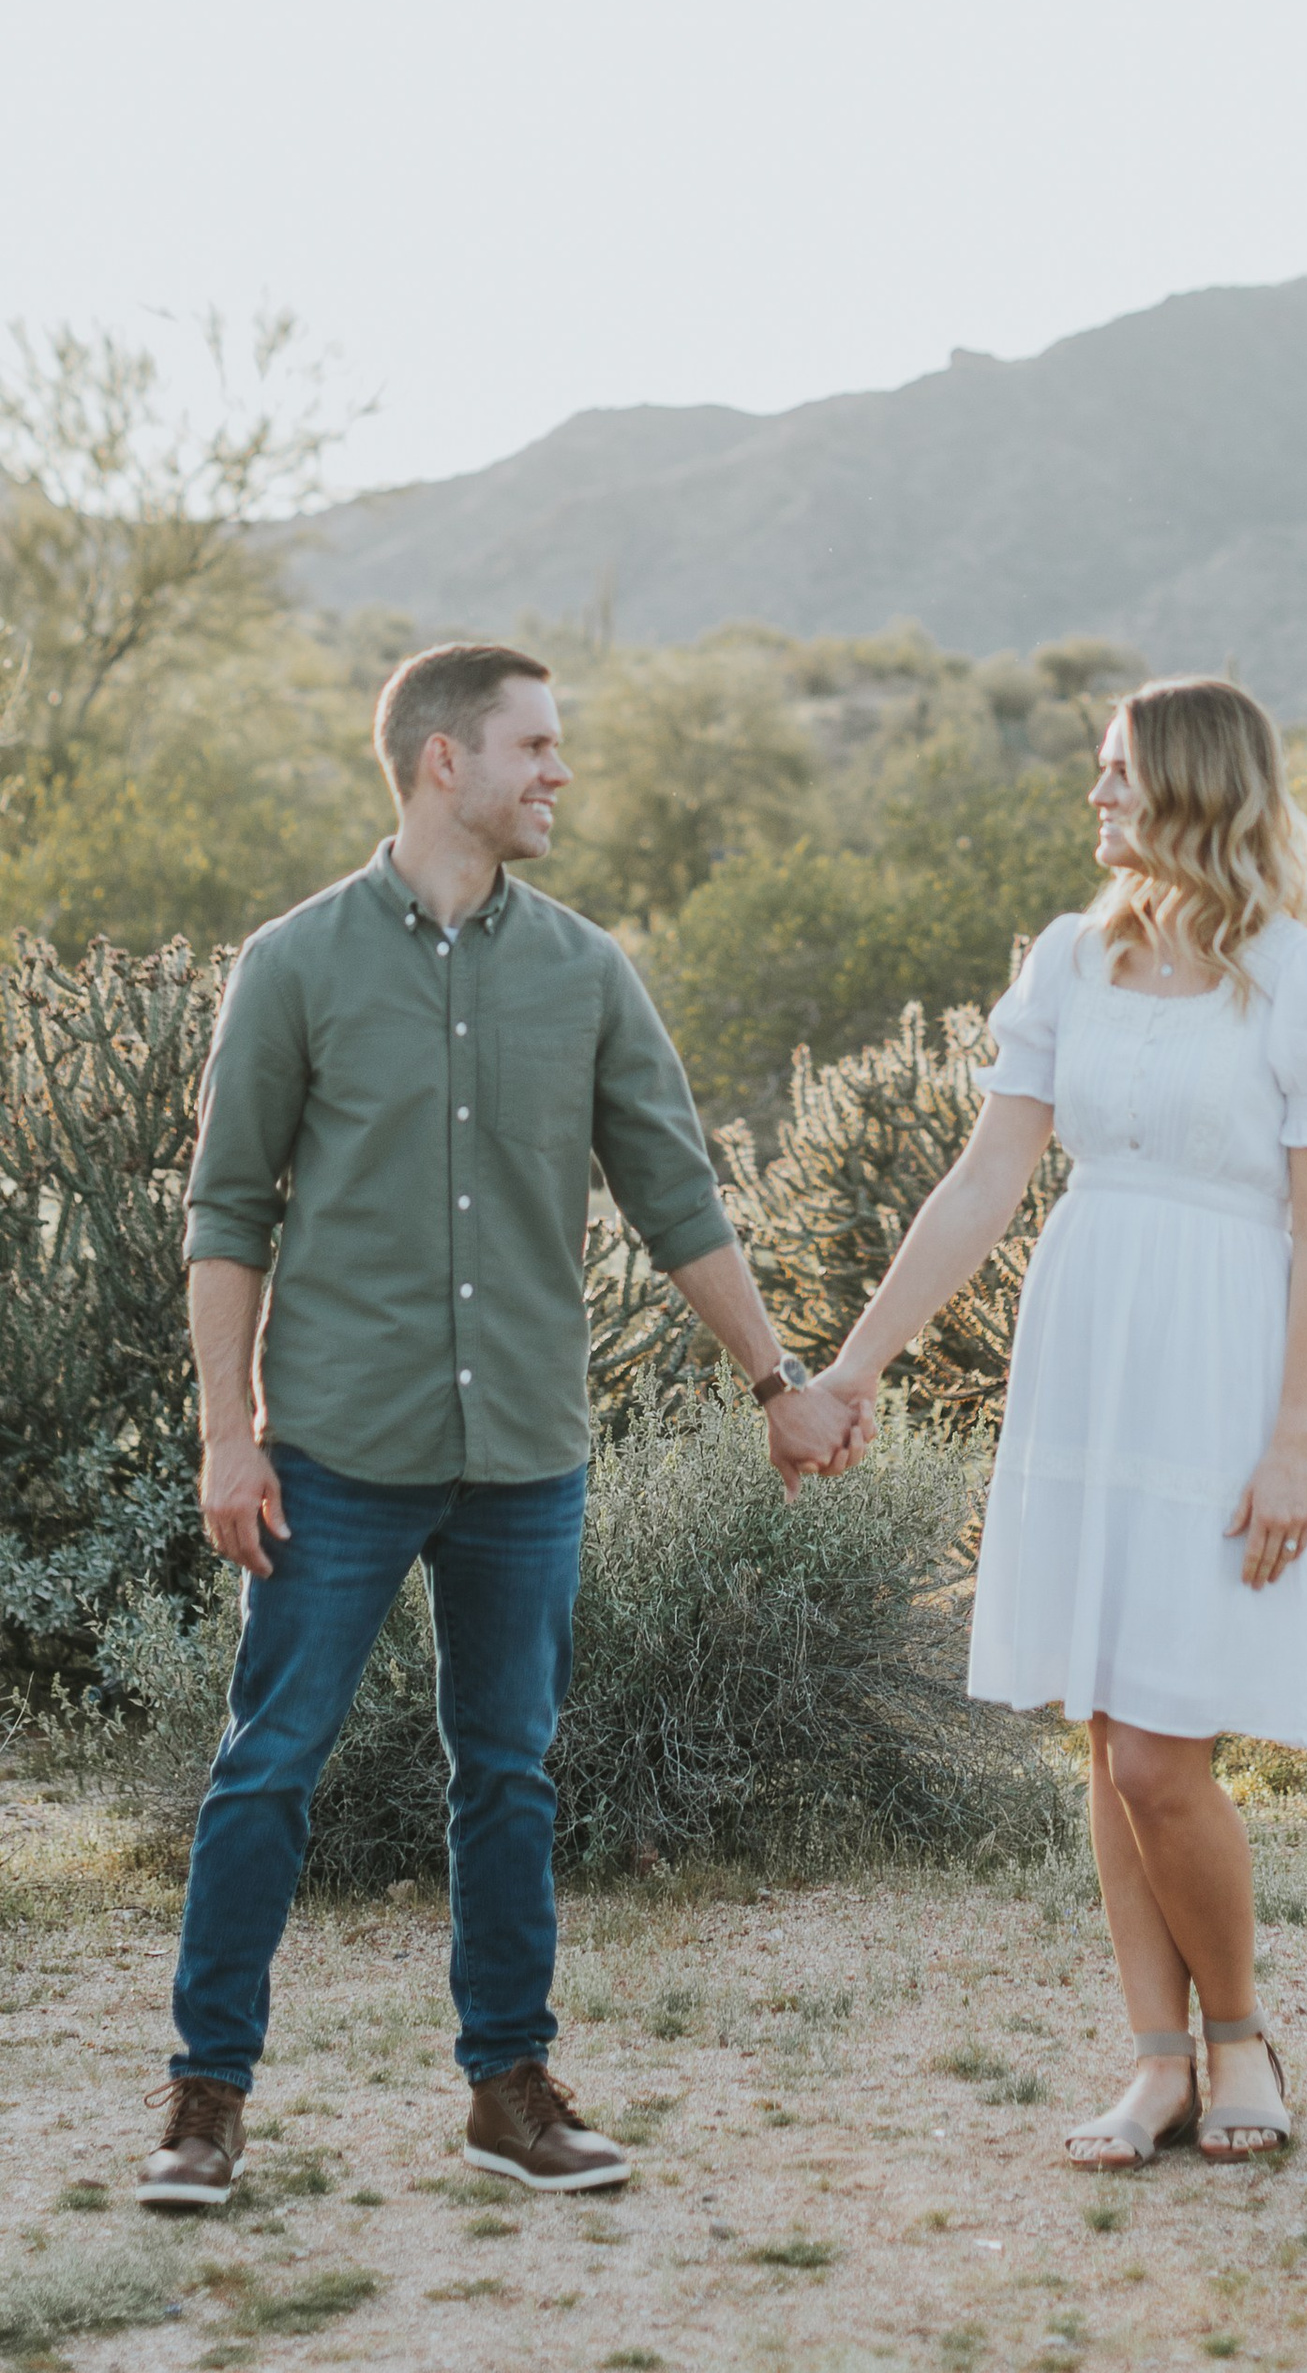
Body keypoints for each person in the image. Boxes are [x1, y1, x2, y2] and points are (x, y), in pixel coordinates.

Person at [136, 639, 865, 2214]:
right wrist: (225, 1432)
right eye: (535, 746)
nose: (561, 772)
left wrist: (776, 1383)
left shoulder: (586, 972)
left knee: (510, 1775)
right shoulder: (298, 964)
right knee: (269, 1767)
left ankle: (510, 2090)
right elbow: (225, 1213)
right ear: (440, 763)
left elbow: (676, 1192)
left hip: (527, 1452)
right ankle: (204, 2102)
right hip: (330, 1446)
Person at [817, 674, 1307, 2169]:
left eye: (1117, 771)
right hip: (1088, 1356)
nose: (1094, 796)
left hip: (1221, 1371)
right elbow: (982, 1186)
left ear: (1195, 789)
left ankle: (1242, 2035)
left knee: (1158, 1754)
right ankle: (1156, 2062)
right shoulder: (1069, 960)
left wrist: (1292, 1444)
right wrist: (859, 1361)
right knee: (1106, 1728)